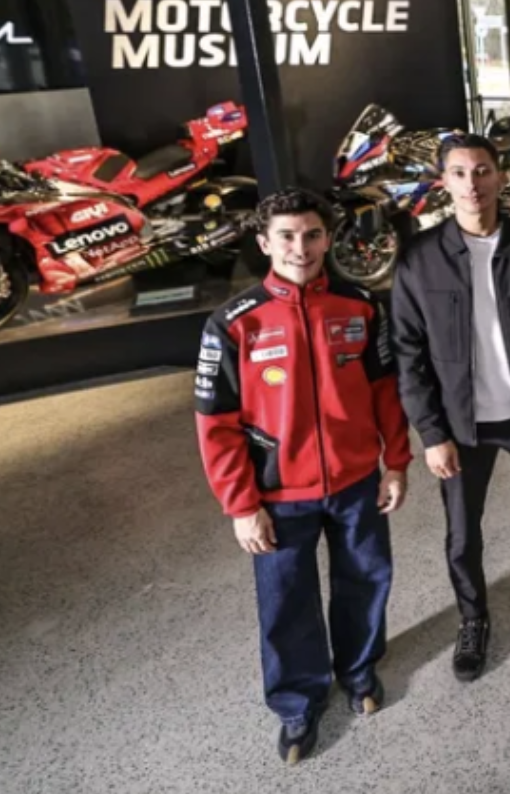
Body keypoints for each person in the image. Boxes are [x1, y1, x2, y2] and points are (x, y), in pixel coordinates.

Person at [195, 189, 411, 765]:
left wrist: (396, 462)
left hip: (357, 481)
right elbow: (215, 423)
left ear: (328, 239)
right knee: (286, 601)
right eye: (287, 236)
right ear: (264, 243)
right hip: (276, 495)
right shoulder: (232, 323)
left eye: (312, 235)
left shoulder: (361, 305)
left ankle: (360, 672)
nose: (301, 247)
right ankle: (298, 703)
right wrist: (241, 504)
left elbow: (386, 391)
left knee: (365, 579)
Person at [391, 133, 510, 682]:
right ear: (444, 182)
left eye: (482, 171)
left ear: (501, 176)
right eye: (459, 173)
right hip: (460, 427)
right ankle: (473, 619)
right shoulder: (420, 260)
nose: (472, 184)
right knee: (461, 532)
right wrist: (431, 433)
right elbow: (409, 355)